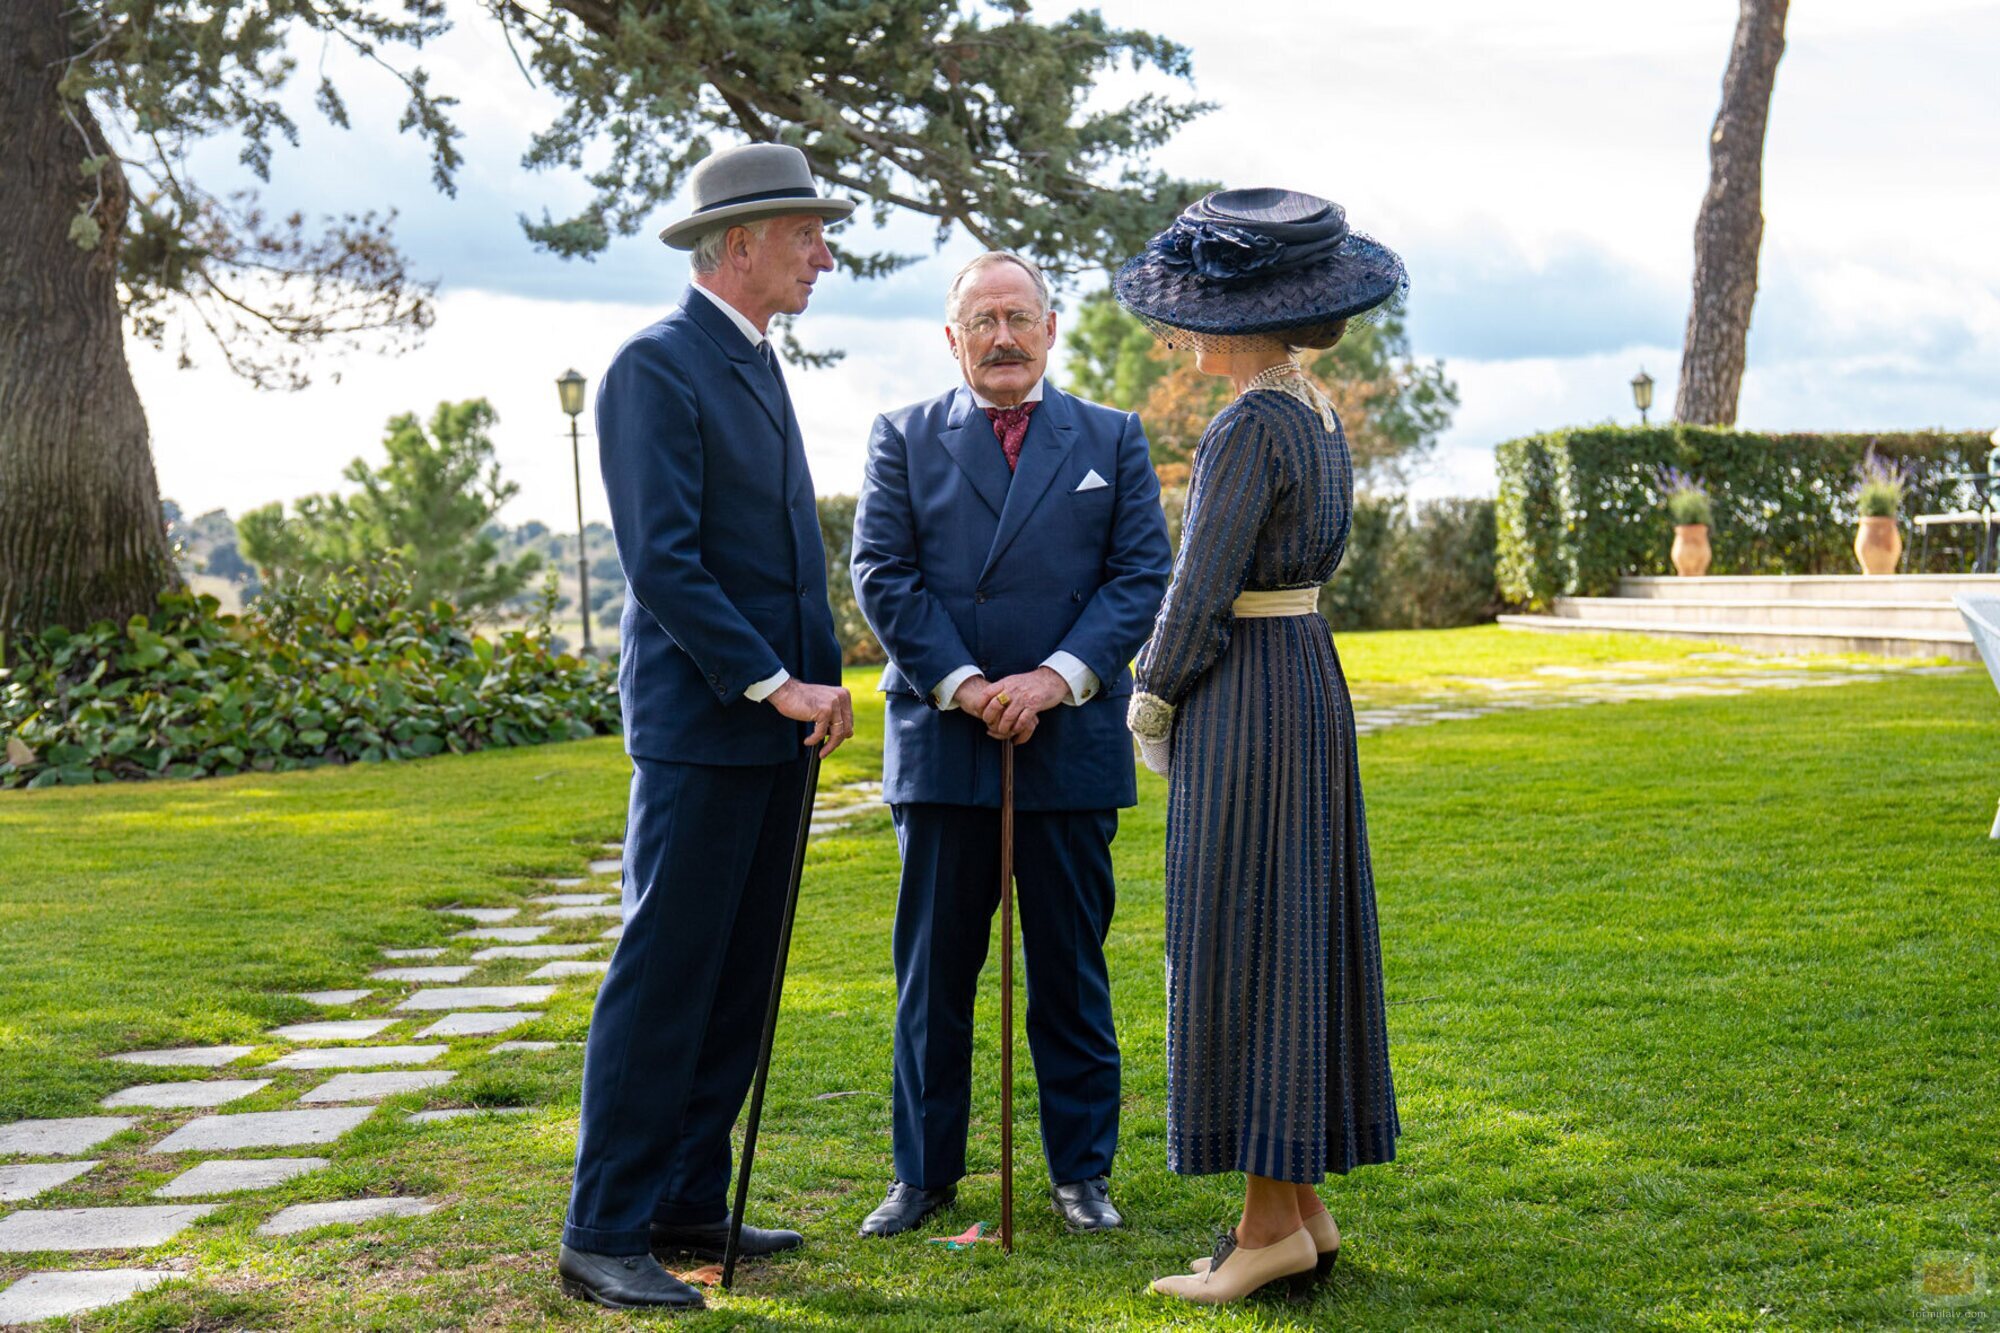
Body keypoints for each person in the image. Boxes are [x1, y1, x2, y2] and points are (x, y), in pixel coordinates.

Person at [557, 142, 857, 1312]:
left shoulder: (753, 361)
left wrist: (814, 687)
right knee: (665, 976)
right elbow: (666, 567)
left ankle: (687, 1197)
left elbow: (776, 557)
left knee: (738, 979)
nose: (822, 256)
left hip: (777, 734)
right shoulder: (654, 367)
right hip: (701, 729)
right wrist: (772, 682)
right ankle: (600, 1230)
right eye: (804, 237)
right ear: (739, 244)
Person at [1114, 188, 1406, 1304]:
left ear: (1241, 318)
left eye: (1193, 311)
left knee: (1238, 935)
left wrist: (1151, 696)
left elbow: (1200, 588)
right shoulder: (1314, 411)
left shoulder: (1247, 424)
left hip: (1242, 695)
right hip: (1304, 684)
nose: (1177, 328)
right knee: (1292, 930)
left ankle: (1263, 1229)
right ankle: (1293, 1210)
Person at [849, 250, 1172, 1239]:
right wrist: (967, 684)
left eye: (1016, 316)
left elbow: (1137, 575)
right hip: (944, 743)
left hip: (1066, 740)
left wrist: (1050, 679)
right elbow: (881, 571)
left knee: (1070, 971)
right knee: (932, 978)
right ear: (952, 336)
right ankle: (922, 1175)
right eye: (980, 319)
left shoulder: (1111, 438)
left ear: (1049, 328)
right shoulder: (901, 437)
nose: (1000, 336)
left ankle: (1081, 1172)